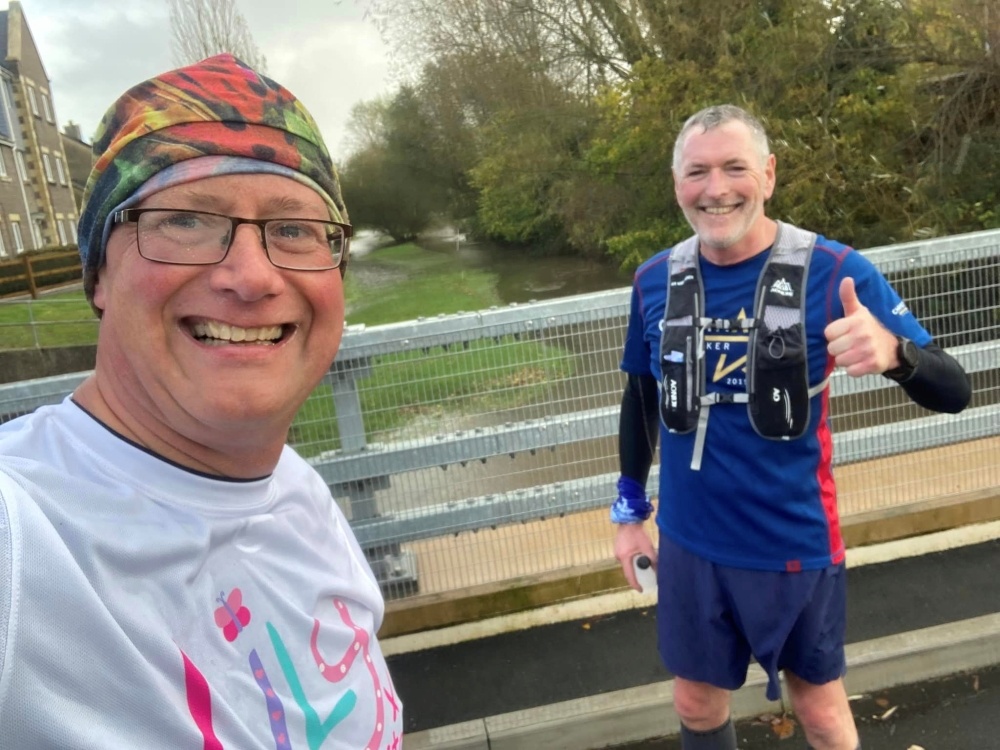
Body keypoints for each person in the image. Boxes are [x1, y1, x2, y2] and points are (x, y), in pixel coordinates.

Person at [0, 55, 402, 749]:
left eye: (296, 229)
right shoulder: (24, 532)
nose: (251, 276)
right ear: (98, 275)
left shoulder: (300, 498)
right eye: (185, 220)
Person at [612, 104, 971, 750]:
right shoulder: (653, 281)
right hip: (689, 543)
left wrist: (895, 354)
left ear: (769, 175)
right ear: (677, 185)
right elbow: (640, 398)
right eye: (697, 172)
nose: (716, 189)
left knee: (822, 713)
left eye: (734, 168)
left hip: (792, 542)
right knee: (694, 701)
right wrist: (627, 512)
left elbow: (956, 390)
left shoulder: (835, 272)